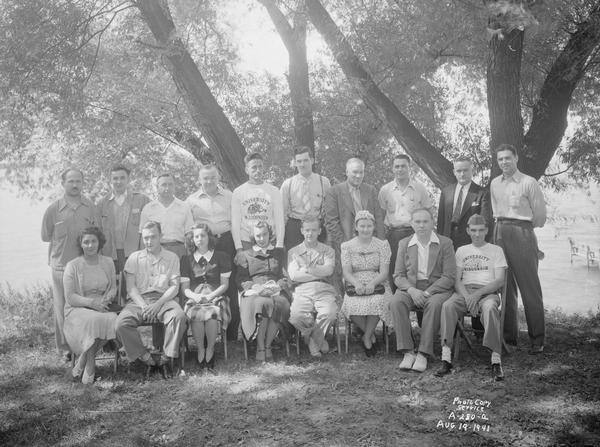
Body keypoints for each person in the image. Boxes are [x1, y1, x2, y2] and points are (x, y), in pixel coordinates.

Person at [490, 144, 547, 354]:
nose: (504, 162)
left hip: (522, 232)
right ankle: (509, 337)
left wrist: (523, 229)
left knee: (529, 287)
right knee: (505, 287)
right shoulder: (495, 183)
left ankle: (537, 339)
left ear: (516, 158)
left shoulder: (528, 182)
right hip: (500, 231)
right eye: (500, 159)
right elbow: (496, 210)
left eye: (507, 158)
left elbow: (540, 216)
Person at [437, 214, 507, 381]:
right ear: (468, 230)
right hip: (465, 292)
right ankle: (446, 357)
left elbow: (499, 280)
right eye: (473, 230)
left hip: (487, 292)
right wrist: (468, 297)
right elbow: (456, 279)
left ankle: (496, 360)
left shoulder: (496, 250)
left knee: (490, 308)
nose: (477, 234)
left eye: (481, 230)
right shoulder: (462, 250)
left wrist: (477, 295)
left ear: (487, 230)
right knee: (448, 305)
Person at [390, 208, 456, 372]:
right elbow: (398, 275)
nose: (421, 225)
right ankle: (408, 351)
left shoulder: (445, 243)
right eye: (417, 222)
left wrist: (427, 293)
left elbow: (449, 277)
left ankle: (423, 353)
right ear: (412, 224)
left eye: (425, 221)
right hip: (412, 287)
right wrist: (412, 290)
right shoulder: (404, 243)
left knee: (433, 305)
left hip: (437, 288)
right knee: (396, 301)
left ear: (432, 223)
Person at [41, 168, 97, 361]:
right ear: (63, 183)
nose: (75, 185)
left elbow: (97, 235)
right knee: (62, 307)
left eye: (78, 181)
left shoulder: (90, 207)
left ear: (83, 183)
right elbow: (45, 236)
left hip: (85, 266)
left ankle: (86, 342)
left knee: (84, 306)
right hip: (61, 266)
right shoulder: (53, 209)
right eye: (71, 181)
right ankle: (65, 347)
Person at [115, 221, 186, 367]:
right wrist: (144, 306)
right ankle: (145, 356)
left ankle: (166, 357)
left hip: (164, 299)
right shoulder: (134, 257)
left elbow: (174, 287)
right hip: (138, 301)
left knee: (178, 316)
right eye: (146, 238)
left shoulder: (172, 257)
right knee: (121, 324)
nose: (149, 241)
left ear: (161, 236)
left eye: (153, 237)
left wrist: (157, 305)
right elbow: (131, 288)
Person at [186, 164, 240, 341]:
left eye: (212, 177)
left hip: (226, 241)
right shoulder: (191, 200)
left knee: (229, 285)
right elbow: (190, 229)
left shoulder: (230, 196)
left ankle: (230, 335)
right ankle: (202, 330)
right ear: (199, 180)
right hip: (204, 243)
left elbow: (236, 222)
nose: (209, 181)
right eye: (205, 178)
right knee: (205, 282)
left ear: (218, 178)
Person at [63, 227, 118, 384]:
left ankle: (82, 360)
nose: (90, 245)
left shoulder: (107, 262)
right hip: (78, 308)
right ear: (80, 244)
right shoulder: (72, 265)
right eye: (86, 242)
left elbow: (113, 287)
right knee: (93, 320)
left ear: (99, 242)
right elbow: (70, 297)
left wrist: (108, 298)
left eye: (93, 241)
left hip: (102, 305)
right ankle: (90, 366)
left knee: (113, 318)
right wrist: (92, 303)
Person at [340, 210, 392, 357]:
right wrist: (356, 284)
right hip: (354, 281)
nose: (365, 229)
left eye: (369, 226)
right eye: (362, 226)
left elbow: (384, 272)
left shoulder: (382, 245)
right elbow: (346, 272)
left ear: (374, 226)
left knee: (378, 301)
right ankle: (370, 335)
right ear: (356, 227)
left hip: (376, 281)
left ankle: (366, 337)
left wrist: (372, 284)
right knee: (350, 304)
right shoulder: (347, 246)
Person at [236, 222, 290, 362]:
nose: (261, 238)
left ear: (270, 234)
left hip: (275, 290)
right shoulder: (245, 255)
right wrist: (256, 288)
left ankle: (267, 346)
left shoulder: (278, 252)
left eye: (264, 234)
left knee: (280, 304)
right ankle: (260, 347)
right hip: (255, 292)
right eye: (258, 235)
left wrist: (277, 286)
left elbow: (284, 276)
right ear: (253, 237)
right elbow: (241, 279)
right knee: (265, 303)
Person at [180, 223, 232, 370]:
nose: (200, 239)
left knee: (211, 313)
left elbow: (224, 285)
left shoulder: (221, 256)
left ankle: (210, 349)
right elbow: (184, 288)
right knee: (196, 313)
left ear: (209, 237)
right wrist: (195, 296)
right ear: (192, 239)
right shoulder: (186, 259)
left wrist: (211, 296)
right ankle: (200, 349)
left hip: (216, 296)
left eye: (203, 235)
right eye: (196, 236)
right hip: (195, 297)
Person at [378, 154, 432, 291]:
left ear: (410, 167)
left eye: (403, 166)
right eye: (397, 166)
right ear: (392, 168)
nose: (400, 169)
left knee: (418, 268)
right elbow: (380, 216)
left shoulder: (420, 188)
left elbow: (428, 213)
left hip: (415, 233)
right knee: (395, 270)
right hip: (393, 235)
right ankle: (398, 303)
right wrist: (382, 239)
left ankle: (420, 305)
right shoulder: (385, 190)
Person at [288, 217, 337, 357]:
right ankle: (317, 341)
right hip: (302, 290)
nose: (310, 233)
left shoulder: (328, 251)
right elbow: (294, 276)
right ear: (302, 231)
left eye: (314, 230)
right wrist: (317, 271)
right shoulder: (294, 252)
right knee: (297, 317)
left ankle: (313, 341)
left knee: (330, 313)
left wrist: (306, 268)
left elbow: (328, 271)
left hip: (324, 289)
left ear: (320, 231)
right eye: (307, 230)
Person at [232, 152, 285, 266]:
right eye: (254, 167)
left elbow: (279, 220)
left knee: (270, 273)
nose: (258, 170)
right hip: (247, 242)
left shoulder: (274, 191)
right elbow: (235, 223)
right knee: (249, 276)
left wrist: (279, 244)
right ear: (247, 169)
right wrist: (239, 248)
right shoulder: (238, 192)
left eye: (260, 166)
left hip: (269, 240)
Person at [97, 165, 150, 274]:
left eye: (122, 178)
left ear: (128, 179)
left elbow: (149, 228)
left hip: (135, 253)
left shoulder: (142, 200)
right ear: (110, 180)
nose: (119, 181)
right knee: (115, 286)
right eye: (115, 178)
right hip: (110, 254)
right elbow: (98, 231)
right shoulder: (102, 204)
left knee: (133, 285)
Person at [324, 157, 385, 250]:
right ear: (347, 172)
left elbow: (378, 218)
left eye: (361, 172)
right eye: (355, 172)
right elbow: (331, 222)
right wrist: (346, 245)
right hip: (345, 244)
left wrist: (380, 243)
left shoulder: (370, 190)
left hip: (370, 244)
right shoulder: (333, 192)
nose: (358, 175)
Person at [280, 145, 331, 251]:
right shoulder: (287, 184)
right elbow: (282, 213)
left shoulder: (324, 182)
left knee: (318, 262)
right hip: (295, 228)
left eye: (305, 160)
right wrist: (281, 239)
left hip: (317, 227)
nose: (302, 164)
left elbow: (329, 211)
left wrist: (329, 234)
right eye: (299, 161)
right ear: (295, 163)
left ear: (312, 160)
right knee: (296, 263)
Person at [436, 156, 491, 250]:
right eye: (459, 171)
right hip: (447, 244)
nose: (462, 174)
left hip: (471, 243)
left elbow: (485, 222)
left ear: (472, 171)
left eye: (465, 170)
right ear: (454, 172)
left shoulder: (482, 193)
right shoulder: (446, 192)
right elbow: (441, 222)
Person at [139, 173, 194, 258]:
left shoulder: (184, 207)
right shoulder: (148, 208)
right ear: (157, 187)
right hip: (156, 251)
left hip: (179, 250)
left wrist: (190, 256)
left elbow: (189, 234)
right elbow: (142, 235)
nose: (167, 188)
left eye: (170, 184)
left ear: (174, 186)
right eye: (163, 185)